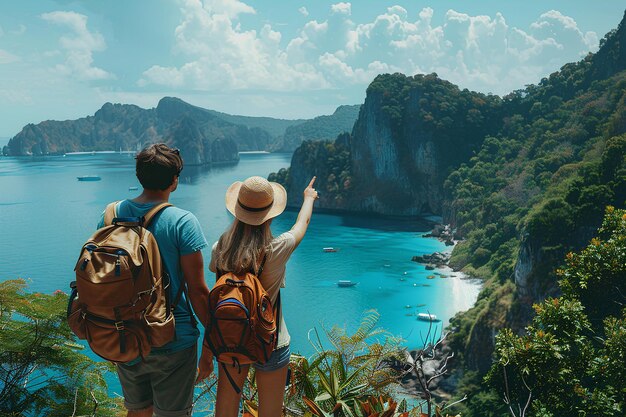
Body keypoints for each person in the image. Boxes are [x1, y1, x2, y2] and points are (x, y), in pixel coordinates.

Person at [97, 143, 212, 417]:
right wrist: (212, 344)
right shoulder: (183, 221)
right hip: (172, 337)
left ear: (139, 176)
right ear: (174, 181)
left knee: (137, 412)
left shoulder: (111, 214)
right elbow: (197, 291)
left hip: (126, 333)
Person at [200, 175, 319, 417]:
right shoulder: (277, 248)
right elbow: (301, 224)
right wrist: (309, 197)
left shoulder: (219, 248)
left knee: (225, 408)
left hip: (231, 336)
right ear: (270, 215)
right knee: (271, 412)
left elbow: (220, 295)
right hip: (271, 341)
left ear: (237, 211)